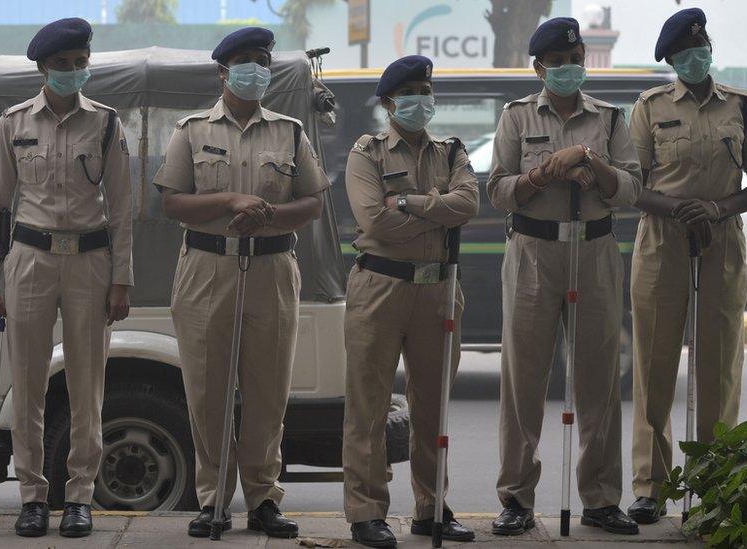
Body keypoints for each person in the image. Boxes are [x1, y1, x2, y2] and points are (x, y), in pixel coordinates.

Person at [153, 27, 329, 539]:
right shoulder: (190, 130)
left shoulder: (290, 131)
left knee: (267, 391)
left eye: (262, 61)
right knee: (208, 390)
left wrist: (269, 214)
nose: (256, 69)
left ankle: (263, 500)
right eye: (246, 61)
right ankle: (211, 502)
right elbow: (172, 202)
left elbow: (312, 203)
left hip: (273, 267)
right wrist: (230, 202)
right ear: (223, 71)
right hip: (208, 268)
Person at [487, 17, 642, 536]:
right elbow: (498, 190)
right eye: (558, 64)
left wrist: (590, 162)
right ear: (539, 69)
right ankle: (516, 498)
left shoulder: (611, 119)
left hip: (595, 249)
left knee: (598, 380)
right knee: (523, 378)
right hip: (533, 250)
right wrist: (549, 169)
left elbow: (630, 189)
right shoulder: (515, 117)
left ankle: (600, 498)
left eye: (575, 62)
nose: (569, 70)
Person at [0, 17, 133, 538]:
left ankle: (80, 497)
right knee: (28, 383)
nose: (73, 72)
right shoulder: (12, 124)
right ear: (43, 67)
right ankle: (32, 495)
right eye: (63, 65)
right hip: (30, 258)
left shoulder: (107, 124)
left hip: (90, 261)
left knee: (89, 384)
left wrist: (122, 280)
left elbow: (122, 211)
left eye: (80, 63)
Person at [626, 8, 747, 524]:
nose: (696, 57)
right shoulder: (648, 107)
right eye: (685, 54)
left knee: (718, 368)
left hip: (722, 240)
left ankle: (716, 483)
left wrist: (716, 208)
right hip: (661, 241)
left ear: (710, 49)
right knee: (654, 365)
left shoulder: (741, 105)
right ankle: (650, 485)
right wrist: (678, 209)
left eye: (702, 48)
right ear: (670, 61)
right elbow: (632, 185)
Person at [341, 55, 478, 548]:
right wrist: (437, 212)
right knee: (369, 405)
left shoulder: (451, 150)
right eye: (412, 92)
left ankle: (431, 506)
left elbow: (470, 205)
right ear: (389, 102)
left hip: (439, 289)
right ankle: (366, 511)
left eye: (427, 89)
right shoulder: (368, 152)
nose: (422, 99)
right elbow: (374, 223)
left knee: (432, 405)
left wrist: (408, 203)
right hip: (381, 286)